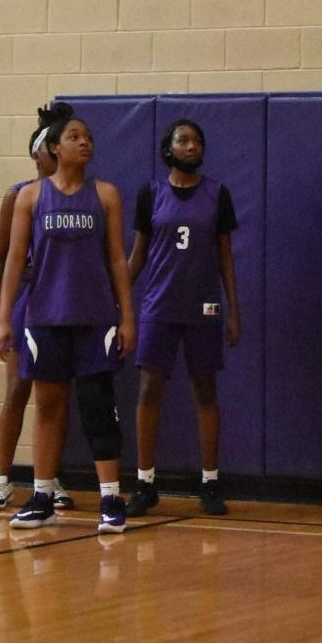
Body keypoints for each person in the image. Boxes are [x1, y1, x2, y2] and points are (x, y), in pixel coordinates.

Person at [0, 111, 135, 533]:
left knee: (98, 407)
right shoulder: (31, 197)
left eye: (88, 137)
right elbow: (15, 261)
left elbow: (116, 259)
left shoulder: (106, 194)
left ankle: (111, 498)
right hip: (45, 317)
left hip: (95, 318)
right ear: (54, 147)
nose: (84, 142)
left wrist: (127, 317)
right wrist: (4, 320)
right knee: (49, 405)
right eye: (75, 136)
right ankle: (41, 496)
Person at [127, 119, 241, 518]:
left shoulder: (217, 194)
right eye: (183, 140)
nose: (191, 146)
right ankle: (145, 482)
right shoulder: (151, 194)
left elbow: (225, 256)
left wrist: (233, 311)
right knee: (148, 391)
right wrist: (119, 300)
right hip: (159, 305)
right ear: (168, 149)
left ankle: (210, 481)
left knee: (206, 392)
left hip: (204, 307)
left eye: (197, 140)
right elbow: (138, 255)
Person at [0, 103, 76, 513]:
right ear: (40, 153)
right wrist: (0, 314)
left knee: (54, 394)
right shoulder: (19, 195)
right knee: (17, 390)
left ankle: (48, 478)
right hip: (25, 302)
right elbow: (2, 259)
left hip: (60, 304)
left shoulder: (80, 196)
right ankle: (1, 478)